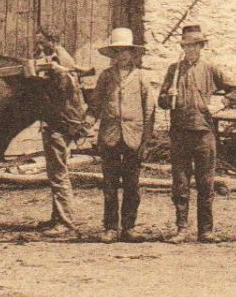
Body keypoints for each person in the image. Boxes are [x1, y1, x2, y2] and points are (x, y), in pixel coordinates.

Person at [157, 24, 236, 243]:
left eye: (195, 45)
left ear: (201, 47)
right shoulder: (173, 70)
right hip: (179, 134)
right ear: (183, 47)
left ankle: (206, 230)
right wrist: (168, 97)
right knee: (180, 183)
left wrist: (223, 102)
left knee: (205, 182)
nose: (191, 49)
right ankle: (181, 229)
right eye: (187, 45)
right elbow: (161, 101)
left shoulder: (211, 69)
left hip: (204, 133)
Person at [90, 27, 154, 244]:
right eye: (117, 51)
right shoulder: (106, 77)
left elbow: (149, 112)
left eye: (126, 51)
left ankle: (129, 227)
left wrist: (145, 140)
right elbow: (95, 106)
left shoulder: (142, 78)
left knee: (132, 185)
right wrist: (88, 124)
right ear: (113, 55)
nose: (122, 56)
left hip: (133, 138)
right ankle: (110, 227)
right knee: (109, 184)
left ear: (132, 53)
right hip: (109, 136)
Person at [33, 30, 86, 235]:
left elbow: (67, 87)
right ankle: (57, 217)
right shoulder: (53, 57)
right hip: (57, 121)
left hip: (61, 123)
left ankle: (65, 222)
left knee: (58, 173)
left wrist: (57, 72)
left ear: (52, 41)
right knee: (55, 171)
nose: (39, 46)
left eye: (42, 42)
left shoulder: (62, 59)